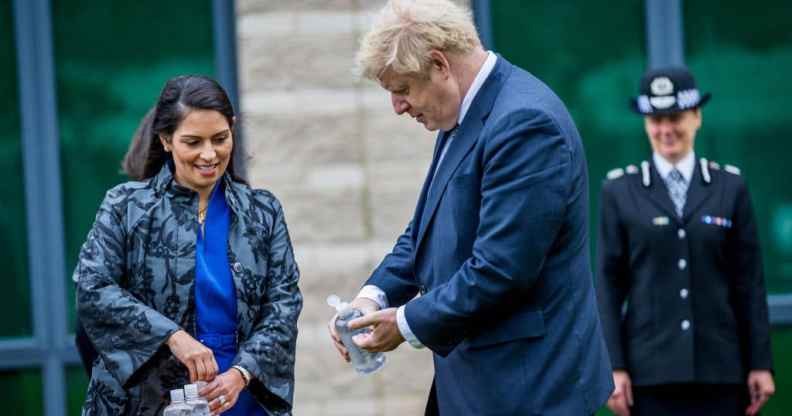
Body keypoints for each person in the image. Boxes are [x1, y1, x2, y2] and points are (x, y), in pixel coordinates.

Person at [326, 1, 613, 414]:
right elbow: (424, 232)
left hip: (530, 390)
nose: (398, 107)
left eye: (403, 89)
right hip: (479, 384)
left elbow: (500, 269)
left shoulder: (526, 123)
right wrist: (372, 297)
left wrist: (404, 323)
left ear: (440, 64)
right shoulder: (463, 109)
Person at [74, 75, 302, 415]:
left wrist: (242, 373)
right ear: (166, 139)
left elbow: (284, 303)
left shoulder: (263, 211)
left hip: (240, 394)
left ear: (232, 130)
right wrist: (173, 337)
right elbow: (92, 288)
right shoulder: (125, 205)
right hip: (150, 397)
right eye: (193, 142)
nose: (209, 154)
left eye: (220, 139)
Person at [597, 67, 775, 416]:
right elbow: (608, 286)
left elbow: (749, 283)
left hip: (721, 372)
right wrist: (613, 367)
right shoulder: (619, 190)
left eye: (675, 117)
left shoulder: (730, 187)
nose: (666, 130)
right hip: (649, 376)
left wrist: (760, 363)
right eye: (655, 120)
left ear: (696, 117)